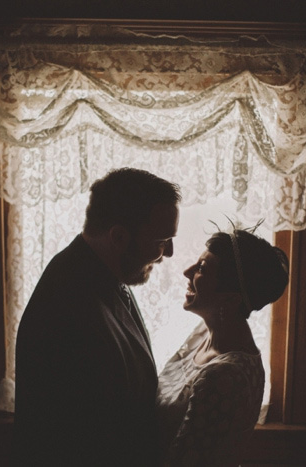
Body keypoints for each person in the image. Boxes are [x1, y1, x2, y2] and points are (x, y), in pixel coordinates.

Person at [12, 167, 181, 466]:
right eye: (161, 240)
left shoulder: (104, 277)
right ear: (118, 237)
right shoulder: (66, 305)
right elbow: (82, 438)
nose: (168, 253)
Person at [156, 226, 289, 467]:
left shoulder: (224, 375)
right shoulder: (203, 333)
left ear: (231, 297)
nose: (187, 272)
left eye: (202, 269)